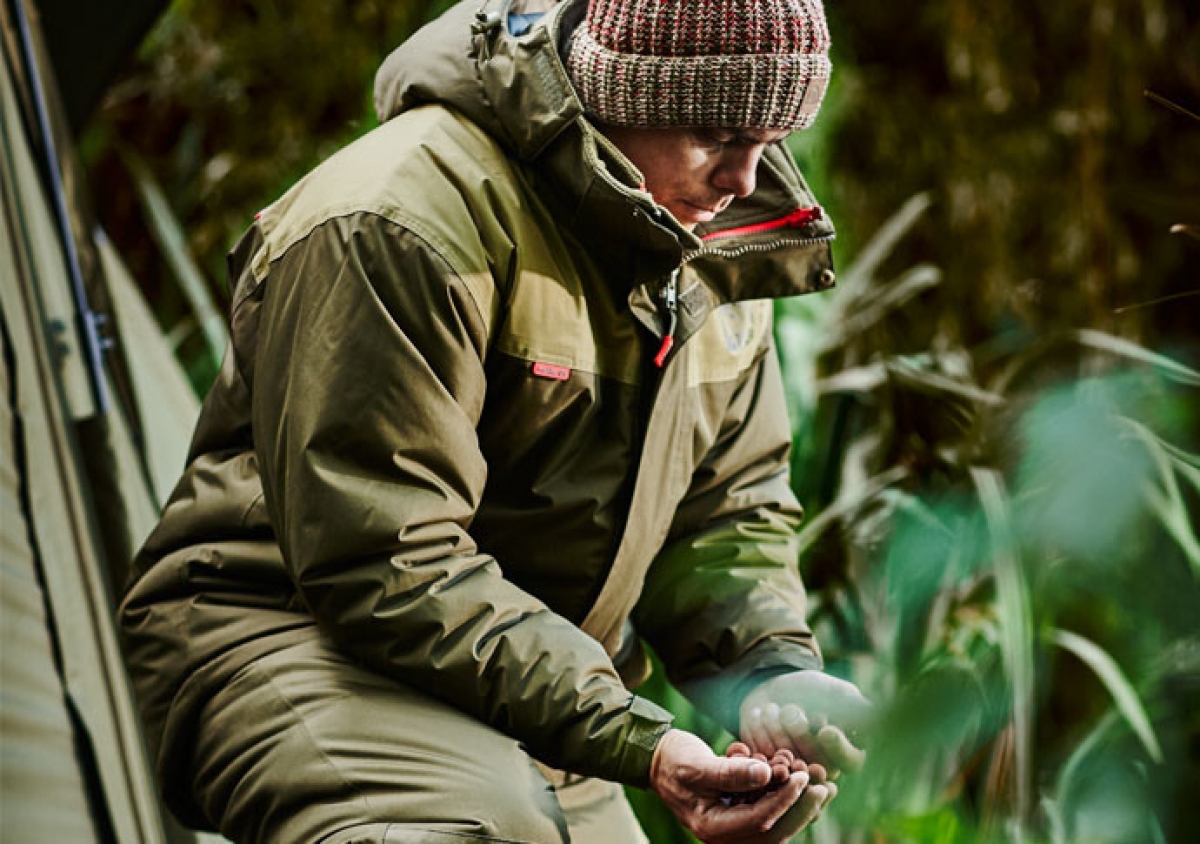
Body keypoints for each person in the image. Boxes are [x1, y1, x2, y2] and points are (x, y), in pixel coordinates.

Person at [119, 0, 870, 841]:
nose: (742, 181)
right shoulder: (397, 222)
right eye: (717, 135)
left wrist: (767, 674)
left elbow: (728, 511)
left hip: (536, 696)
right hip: (291, 640)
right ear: (616, 89)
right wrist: (634, 736)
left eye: (771, 141)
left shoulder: (712, 245)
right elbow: (385, 559)